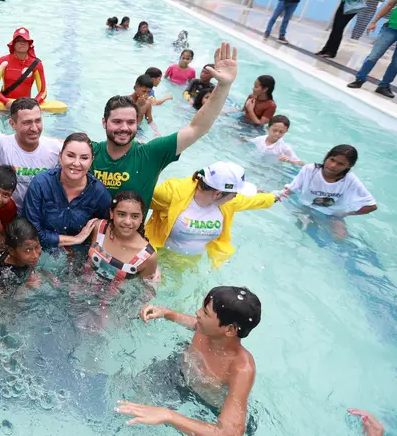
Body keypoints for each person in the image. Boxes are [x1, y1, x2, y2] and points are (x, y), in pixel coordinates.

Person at [90, 43, 239, 207]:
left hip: (131, 232)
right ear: (104, 122)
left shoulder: (151, 154)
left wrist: (224, 86)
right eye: (117, 121)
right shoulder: (88, 153)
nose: (124, 128)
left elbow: (197, 128)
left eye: (131, 122)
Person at [119, 286, 261, 436]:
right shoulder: (207, 330)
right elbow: (194, 323)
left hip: (206, 406)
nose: (197, 313)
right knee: (131, 394)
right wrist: (167, 313)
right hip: (179, 373)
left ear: (229, 330)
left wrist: (168, 415)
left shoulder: (241, 369)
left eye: (206, 313)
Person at [0, 42, 61, 209]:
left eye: (37, 121)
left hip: (40, 217)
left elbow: (86, 154)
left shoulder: (55, 148)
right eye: (26, 122)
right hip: (6, 215)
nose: (34, 128)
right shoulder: (2, 145)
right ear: (12, 124)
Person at [146, 162, 277, 267]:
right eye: (235, 194)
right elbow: (137, 198)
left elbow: (250, 201)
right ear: (218, 194)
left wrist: (275, 196)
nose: (236, 197)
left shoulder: (227, 203)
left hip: (191, 263)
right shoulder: (171, 193)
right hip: (156, 259)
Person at [23, 133, 110, 249]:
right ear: (60, 156)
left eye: (84, 158)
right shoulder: (40, 184)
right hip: (40, 252)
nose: (76, 163)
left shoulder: (99, 193)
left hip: (78, 257)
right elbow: (30, 233)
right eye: (70, 155)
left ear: (91, 161)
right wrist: (75, 239)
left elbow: (106, 230)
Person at [281, 145, 377, 237]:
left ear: (350, 165)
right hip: (306, 207)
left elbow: (371, 206)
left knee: (339, 238)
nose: (333, 165)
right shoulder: (310, 170)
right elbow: (292, 189)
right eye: (332, 160)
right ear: (327, 155)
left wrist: (345, 214)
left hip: (332, 214)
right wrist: (278, 195)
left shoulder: (350, 180)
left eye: (340, 164)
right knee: (305, 228)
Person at [85, 191, 158, 284]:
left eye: (135, 216)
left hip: (113, 298)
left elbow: (146, 291)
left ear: (142, 218)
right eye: (121, 214)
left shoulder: (147, 256)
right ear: (111, 213)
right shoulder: (98, 228)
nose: (127, 221)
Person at [346, 0, 397, 98]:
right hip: (391, 28)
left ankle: (383, 86)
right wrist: (374, 21)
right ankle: (360, 79)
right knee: (374, 55)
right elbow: (389, 5)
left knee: (396, 63)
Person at [0, 27, 48, 106]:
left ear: (29, 44)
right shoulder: (3, 61)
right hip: (4, 106)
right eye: (18, 40)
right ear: (13, 44)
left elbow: (43, 91)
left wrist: (33, 105)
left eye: (25, 41)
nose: (22, 43)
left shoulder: (36, 64)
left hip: (25, 107)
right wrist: (6, 102)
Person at [0, 217, 43, 292]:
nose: (35, 256)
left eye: (37, 246)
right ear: (12, 251)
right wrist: (27, 287)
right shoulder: (6, 274)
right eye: (28, 250)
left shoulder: (23, 257)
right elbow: (8, 300)